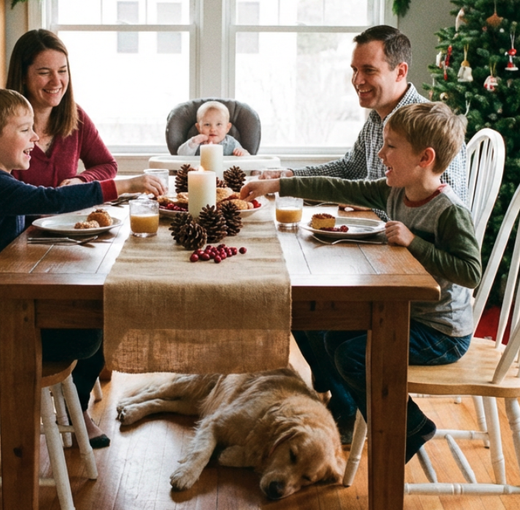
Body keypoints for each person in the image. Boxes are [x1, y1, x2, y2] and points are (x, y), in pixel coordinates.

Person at [240, 101, 482, 462]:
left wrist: (416, 243)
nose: (381, 154)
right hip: (410, 314)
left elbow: (470, 271)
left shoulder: (449, 212)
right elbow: (339, 187)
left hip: (442, 333)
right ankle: (352, 410)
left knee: (353, 355)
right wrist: (278, 183)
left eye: (391, 147)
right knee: (327, 330)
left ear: (424, 158)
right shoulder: (396, 191)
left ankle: (408, 426)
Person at [0, 88, 166, 448]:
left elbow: (38, 209)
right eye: (24, 129)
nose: (35, 137)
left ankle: (71, 406)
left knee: (95, 323)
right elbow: (47, 200)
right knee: (87, 334)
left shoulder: (0, 177)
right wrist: (123, 184)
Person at [271, 25, 468, 215]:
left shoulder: (432, 124)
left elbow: (447, 205)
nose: (357, 80)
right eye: (354, 70)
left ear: (400, 72)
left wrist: (375, 208)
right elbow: (349, 169)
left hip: (412, 247)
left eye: (369, 70)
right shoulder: (376, 116)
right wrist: (289, 175)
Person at [0, 29, 118, 186]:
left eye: (62, 71)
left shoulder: (76, 115)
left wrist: (81, 180)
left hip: (67, 210)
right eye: (45, 73)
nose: (56, 82)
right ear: (23, 76)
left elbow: (107, 165)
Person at [176, 100, 249, 156]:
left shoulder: (232, 143)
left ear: (227, 127)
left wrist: (242, 153)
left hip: (225, 174)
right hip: (201, 174)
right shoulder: (197, 143)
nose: (213, 129)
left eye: (219, 124)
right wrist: (192, 143)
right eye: (207, 124)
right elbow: (181, 155)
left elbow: (248, 160)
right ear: (199, 127)